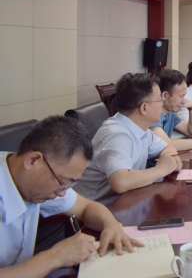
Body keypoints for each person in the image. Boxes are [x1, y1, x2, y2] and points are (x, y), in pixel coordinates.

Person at [1, 116, 143, 277]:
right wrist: (56, 256)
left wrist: (111, 224)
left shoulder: (34, 178)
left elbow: (87, 207)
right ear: (33, 160)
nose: (62, 193)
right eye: (62, 182)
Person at [73, 73, 183, 203]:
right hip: (96, 208)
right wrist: (161, 169)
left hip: (126, 202)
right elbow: (120, 182)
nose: (162, 104)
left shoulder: (141, 129)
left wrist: (170, 158)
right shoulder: (117, 135)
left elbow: (167, 147)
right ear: (144, 107)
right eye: (159, 100)